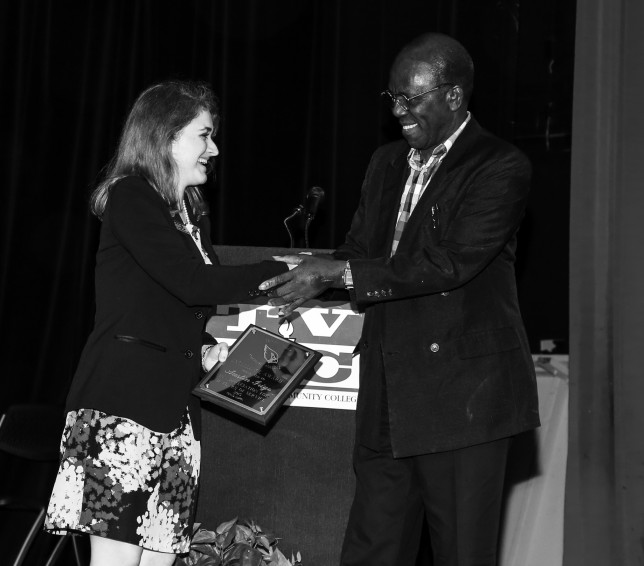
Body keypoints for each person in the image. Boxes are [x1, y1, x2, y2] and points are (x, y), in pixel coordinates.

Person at [259, 32, 540, 566]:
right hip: (388, 393)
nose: (399, 112)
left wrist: (339, 271)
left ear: (454, 96)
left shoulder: (499, 166)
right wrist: (308, 272)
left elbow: (448, 262)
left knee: (460, 552)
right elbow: (360, 250)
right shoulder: (387, 162)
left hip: (463, 398)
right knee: (371, 549)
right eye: (393, 99)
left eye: (412, 99)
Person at [44, 80, 286, 566]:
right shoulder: (131, 196)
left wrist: (208, 348)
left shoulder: (191, 214)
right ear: (167, 137)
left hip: (176, 418)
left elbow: (172, 305)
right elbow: (192, 283)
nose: (214, 148)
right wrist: (283, 272)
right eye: (204, 134)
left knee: (160, 562)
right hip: (122, 408)